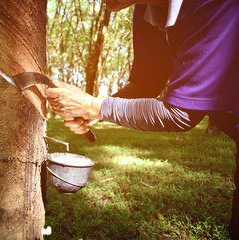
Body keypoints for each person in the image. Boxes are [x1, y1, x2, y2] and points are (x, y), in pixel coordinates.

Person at [46, 0, 239, 238]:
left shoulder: (216, 5)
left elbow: (180, 114)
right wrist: (93, 109)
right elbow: (145, 83)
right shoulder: (146, 9)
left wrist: (95, 107)